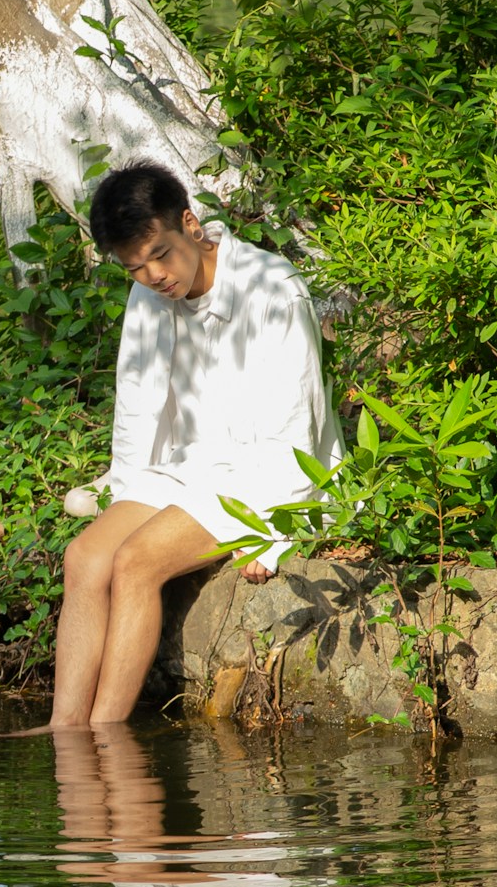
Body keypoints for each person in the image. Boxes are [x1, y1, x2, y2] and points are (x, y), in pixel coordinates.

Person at [46, 160, 340, 731]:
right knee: (84, 558)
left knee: (135, 563)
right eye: (136, 267)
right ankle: (64, 731)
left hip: (259, 472)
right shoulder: (147, 296)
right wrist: (123, 488)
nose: (154, 275)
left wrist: (275, 530)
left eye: (160, 253)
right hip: (187, 466)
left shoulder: (271, 288)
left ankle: (102, 738)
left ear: (190, 223)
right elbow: (137, 406)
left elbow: (297, 429)